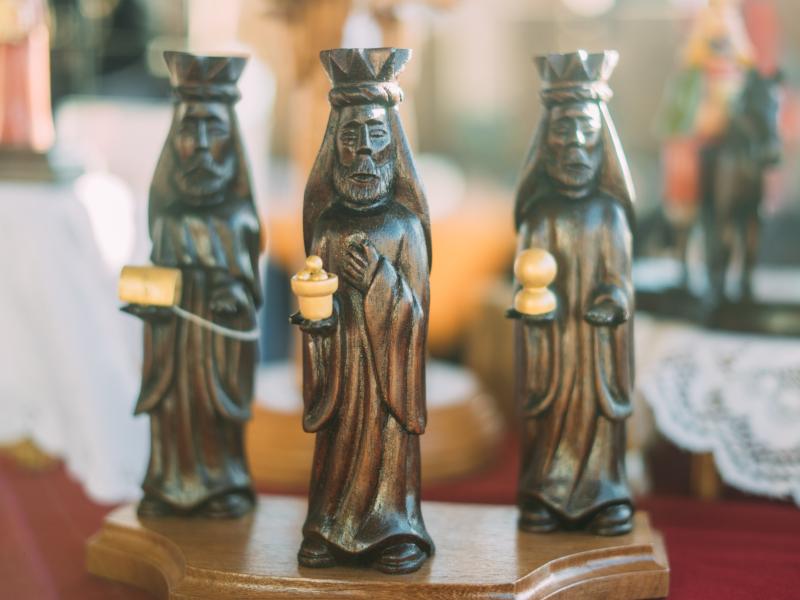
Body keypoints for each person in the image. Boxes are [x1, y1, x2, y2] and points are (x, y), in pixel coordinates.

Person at [290, 47, 434, 574]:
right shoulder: (327, 226)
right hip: (342, 383)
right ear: (333, 150)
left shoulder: (405, 228)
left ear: (394, 145)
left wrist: (378, 281)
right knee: (338, 448)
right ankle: (329, 526)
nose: (365, 155)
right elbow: (314, 294)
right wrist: (318, 324)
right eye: (350, 140)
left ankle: (394, 526)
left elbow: (416, 321)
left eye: (376, 137)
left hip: (384, 387)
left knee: (387, 445)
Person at [124, 52, 261, 518]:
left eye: (215, 130)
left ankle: (222, 484)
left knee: (211, 416)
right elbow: (157, 276)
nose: (202, 145)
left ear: (232, 143)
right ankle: (168, 482)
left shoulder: (238, 219)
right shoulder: (168, 219)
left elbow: (247, 292)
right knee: (173, 415)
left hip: (215, 353)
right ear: (174, 141)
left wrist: (232, 297)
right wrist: (152, 307)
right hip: (176, 349)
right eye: (190, 129)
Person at [510, 50, 636, 536]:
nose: (574, 145)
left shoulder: (610, 215)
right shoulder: (540, 216)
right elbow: (528, 275)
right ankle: (543, 491)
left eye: (586, 130)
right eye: (562, 132)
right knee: (548, 422)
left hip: (595, 350)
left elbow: (620, 282)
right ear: (545, 143)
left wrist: (612, 302)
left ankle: (605, 493)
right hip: (553, 353)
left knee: (599, 424)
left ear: (603, 139)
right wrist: (533, 306)